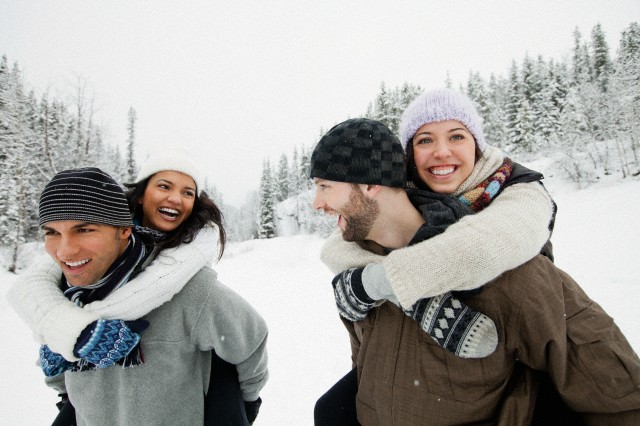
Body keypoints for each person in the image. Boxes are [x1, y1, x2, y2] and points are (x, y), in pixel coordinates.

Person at [310, 117, 640, 425]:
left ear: (370, 184)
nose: (316, 203)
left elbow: (619, 397)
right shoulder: (358, 277)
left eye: (325, 186)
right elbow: (366, 371)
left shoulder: (511, 275)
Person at [9, 166, 268, 425]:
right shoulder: (63, 294)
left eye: (84, 230)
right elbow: (56, 364)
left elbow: (250, 340)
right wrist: (69, 396)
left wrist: (239, 407)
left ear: (124, 230)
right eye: (52, 233)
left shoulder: (191, 290)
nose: (65, 251)